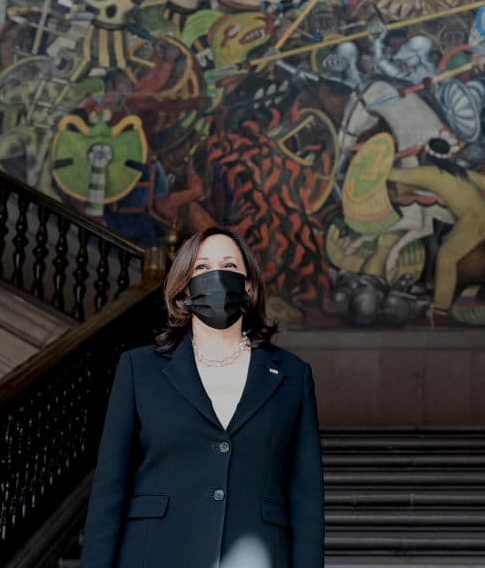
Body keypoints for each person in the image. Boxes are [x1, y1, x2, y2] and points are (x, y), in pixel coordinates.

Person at [82, 227, 324, 568]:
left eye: (229, 266)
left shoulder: (292, 375)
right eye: (202, 268)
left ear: (249, 285)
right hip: (154, 554)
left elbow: (306, 499)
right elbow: (109, 489)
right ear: (184, 287)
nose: (216, 277)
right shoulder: (140, 368)